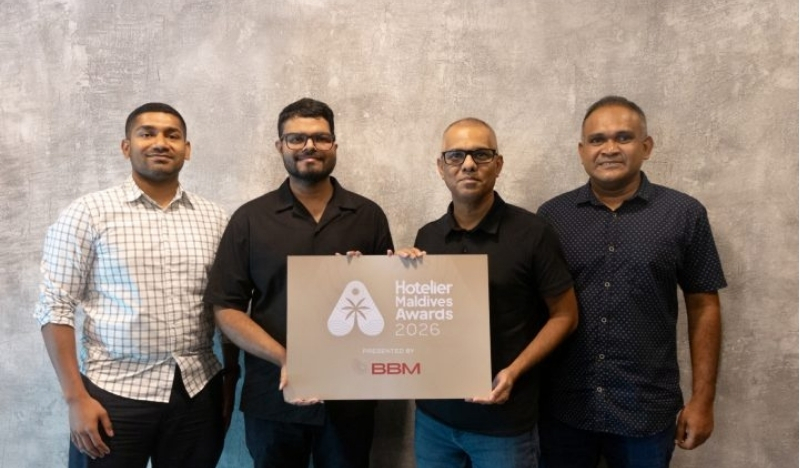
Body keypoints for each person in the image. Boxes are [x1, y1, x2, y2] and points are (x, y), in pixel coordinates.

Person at [34, 102, 237, 467]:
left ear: (187, 149)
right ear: (126, 147)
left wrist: (228, 381)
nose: (160, 142)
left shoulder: (215, 218)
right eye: (147, 133)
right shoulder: (88, 213)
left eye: (172, 135)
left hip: (196, 391)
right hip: (112, 394)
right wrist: (75, 399)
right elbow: (55, 305)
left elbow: (228, 304)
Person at [203, 97, 394, 468]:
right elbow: (226, 309)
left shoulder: (368, 215)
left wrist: (395, 272)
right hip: (274, 395)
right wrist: (286, 358)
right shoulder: (250, 219)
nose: (310, 146)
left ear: (334, 145)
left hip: (349, 395)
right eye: (296, 138)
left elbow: (385, 308)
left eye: (321, 138)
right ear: (280, 146)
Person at [537, 95, 727, 468]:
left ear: (646, 146)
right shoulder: (552, 216)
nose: (609, 148)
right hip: (564, 407)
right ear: (581, 151)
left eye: (623, 137)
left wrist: (703, 400)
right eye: (597, 139)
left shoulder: (684, 214)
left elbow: (704, 306)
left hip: (645, 409)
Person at [396, 118, 579, 468]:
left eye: (481, 154)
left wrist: (514, 371)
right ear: (441, 167)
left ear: (498, 164)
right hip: (433, 420)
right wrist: (395, 276)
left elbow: (565, 316)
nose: (468, 164)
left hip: (504, 424)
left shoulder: (533, 233)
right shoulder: (428, 237)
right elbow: (418, 321)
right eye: (455, 155)